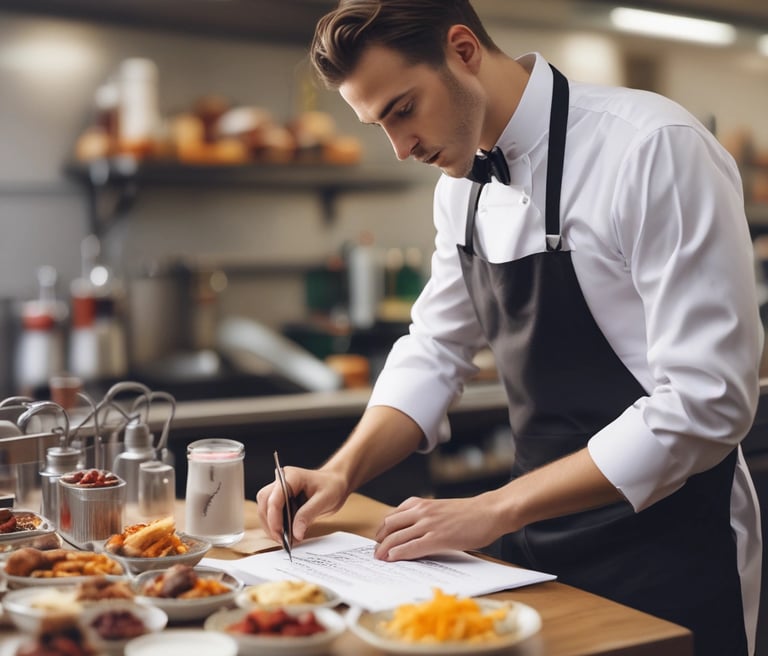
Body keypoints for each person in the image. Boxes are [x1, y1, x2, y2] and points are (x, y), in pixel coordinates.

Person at [256, 1, 763, 653]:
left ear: (463, 51)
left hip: (668, 546)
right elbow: (436, 349)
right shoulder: (458, 186)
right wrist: (342, 472)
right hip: (534, 549)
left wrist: (495, 507)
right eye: (377, 124)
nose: (400, 148)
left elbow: (707, 403)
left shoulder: (653, 147)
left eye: (403, 109)